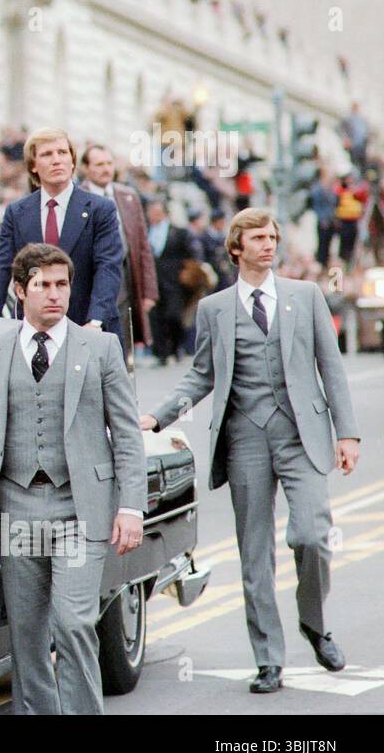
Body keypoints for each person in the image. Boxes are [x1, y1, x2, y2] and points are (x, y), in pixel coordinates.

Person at [0, 244, 145, 714]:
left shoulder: (99, 348)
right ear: (20, 290)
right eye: (43, 285)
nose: (54, 295)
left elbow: (126, 432)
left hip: (80, 508)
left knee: (74, 622)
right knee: (26, 630)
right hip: (16, 507)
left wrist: (131, 507)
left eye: (62, 285)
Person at [140, 209, 359, 695]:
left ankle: (315, 624)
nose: (269, 244)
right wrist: (158, 416)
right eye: (259, 237)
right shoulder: (216, 309)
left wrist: (348, 434)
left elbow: (331, 366)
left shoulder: (305, 297)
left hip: (302, 434)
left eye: (273, 237)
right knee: (254, 553)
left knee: (312, 535)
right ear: (236, 247)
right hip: (244, 439)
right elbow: (201, 375)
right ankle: (268, 659)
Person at [0, 128, 124, 336]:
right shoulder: (17, 213)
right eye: (47, 154)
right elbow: (0, 270)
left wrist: (95, 321)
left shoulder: (100, 209)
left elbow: (108, 267)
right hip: (32, 331)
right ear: (33, 166)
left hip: (86, 328)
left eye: (62, 153)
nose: (57, 160)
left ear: (73, 162)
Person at [78, 144, 158, 354]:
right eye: (99, 164)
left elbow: (142, 245)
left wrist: (148, 290)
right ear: (85, 168)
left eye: (109, 163)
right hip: (92, 282)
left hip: (125, 279)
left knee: (124, 343)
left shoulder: (128, 196)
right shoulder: (77, 197)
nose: (106, 169)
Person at [145, 199, 199, 366]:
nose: (154, 216)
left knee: (174, 316)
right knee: (155, 318)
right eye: (151, 212)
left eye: (157, 212)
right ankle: (161, 353)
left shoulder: (179, 232)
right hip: (152, 282)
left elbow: (191, 254)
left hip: (175, 282)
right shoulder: (144, 232)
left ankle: (176, 346)